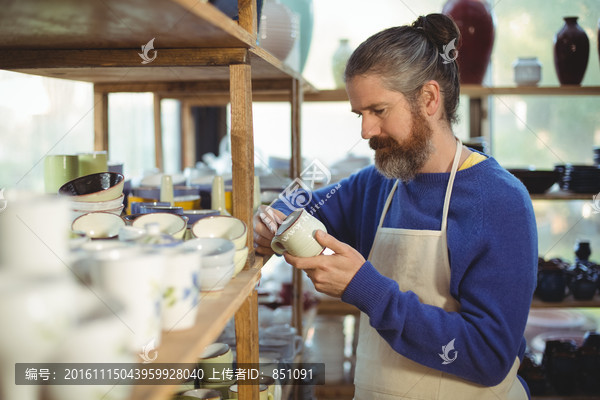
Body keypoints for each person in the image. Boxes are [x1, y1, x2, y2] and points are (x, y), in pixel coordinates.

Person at [253, 13, 537, 400]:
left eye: (379, 111)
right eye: (360, 114)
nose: (365, 132)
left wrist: (365, 289)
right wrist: (273, 217)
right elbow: (303, 205)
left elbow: (489, 357)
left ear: (430, 99)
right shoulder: (378, 183)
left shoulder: (499, 201)